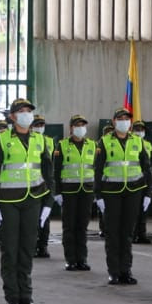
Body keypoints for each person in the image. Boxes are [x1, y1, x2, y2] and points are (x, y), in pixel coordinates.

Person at [0, 98, 54, 304]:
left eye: (29, 111)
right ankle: (12, 298)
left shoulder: (39, 140)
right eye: (22, 111)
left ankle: (26, 296)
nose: (27, 114)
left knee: (27, 249)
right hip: (8, 201)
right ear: (12, 116)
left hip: (32, 200)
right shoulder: (2, 139)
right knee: (10, 250)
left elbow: (47, 172)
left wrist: (48, 202)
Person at [94, 108, 152, 286]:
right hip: (111, 193)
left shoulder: (138, 141)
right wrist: (99, 196)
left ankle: (125, 271)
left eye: (127, 119)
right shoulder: (103, 142)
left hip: (133, 192)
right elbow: (97, 170)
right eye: (120, 119)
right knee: (113, 234)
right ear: (113, 122)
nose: (124, 122)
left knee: (127, 233)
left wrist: (148, 192)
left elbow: (146, 167)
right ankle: (113, 272)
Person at [54, 114, 95, 271]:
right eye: (77, 125)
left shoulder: (92, 145)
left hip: (86, 190)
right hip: (69, 191)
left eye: (83, 125)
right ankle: (70, 259)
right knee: (69, 226)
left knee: (82, 226)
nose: (80, 128)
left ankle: (82, 259)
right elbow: (56, 170)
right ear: (71, 128)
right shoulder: (62, 145)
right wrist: (57, 192)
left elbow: (96, 169)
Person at [31, 114, 54, 258]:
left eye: (41, 125)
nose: (39, 128)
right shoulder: (28, 140)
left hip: (45, 183)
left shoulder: (50, 142)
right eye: (36, 125)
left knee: (45, 218)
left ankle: (43, 246)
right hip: (32, 184)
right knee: (32, 218)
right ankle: (32, 245)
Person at [131, 120, 152, 244]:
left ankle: (142, 234)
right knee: (134, 210)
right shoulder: (130, 143)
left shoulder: (148, 145)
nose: (139, 132)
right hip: (135, 180)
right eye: (137, 129)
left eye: (141, 130)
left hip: (146, 180)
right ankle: (133, 234)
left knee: (144, 209)